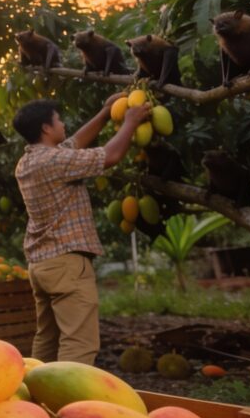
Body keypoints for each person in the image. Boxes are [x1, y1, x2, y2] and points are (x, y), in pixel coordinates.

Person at [12, 95, 150, 364]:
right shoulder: (53, 162)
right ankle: (69, 403)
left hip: (42, 265)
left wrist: (104, 112)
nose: (63, 124)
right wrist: (130, 123)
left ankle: (35, 398)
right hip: (67, 264)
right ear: (46, 128)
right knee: (80, 342)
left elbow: (72, 144)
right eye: (59, 120)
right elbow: (110, 156)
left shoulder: (28, 161)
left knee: (47, 339)